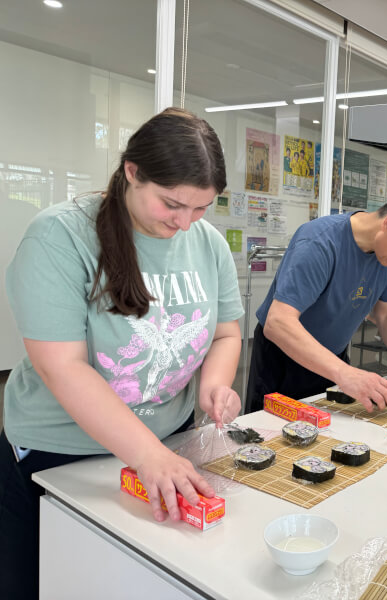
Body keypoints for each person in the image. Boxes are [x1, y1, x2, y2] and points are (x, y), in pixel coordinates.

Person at [0, 107, 244, 599]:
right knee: (45, 581)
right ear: (132, 172)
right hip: (62, 454)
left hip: (167, 447)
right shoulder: (60, 237)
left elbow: (225, 334)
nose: (184, 222)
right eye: (171, 203)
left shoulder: (208, 244)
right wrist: (147, 454)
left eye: (200, 209)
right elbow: (62, 366)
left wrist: (215, 386)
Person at [245, 190, 387, 413]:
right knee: (272, 436)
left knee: (325, 432)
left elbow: (386, 313)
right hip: (284, 357)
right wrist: (345, 373)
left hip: (333, 358)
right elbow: (278, 322)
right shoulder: (320, 242)